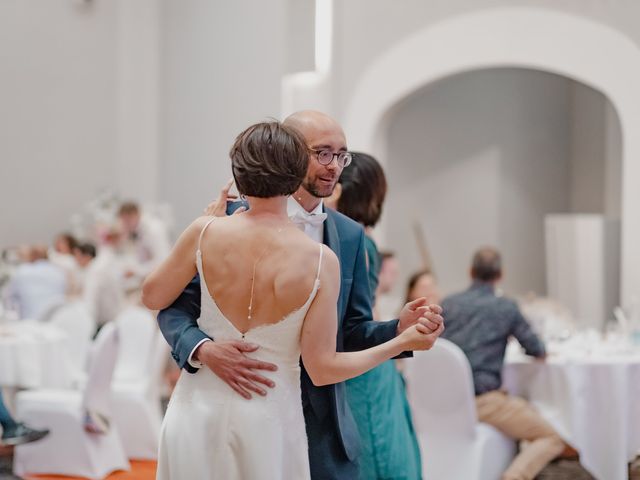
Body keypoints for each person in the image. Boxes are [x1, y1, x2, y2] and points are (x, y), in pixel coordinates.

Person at [144, 121, 443, 479]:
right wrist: (202, 348)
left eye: (341, 155)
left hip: (292, 419)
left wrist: (397, 331)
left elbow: (350, 328)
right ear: (295, 160)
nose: (334, 165)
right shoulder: (231, 223)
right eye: (323, 153)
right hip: (248, 409)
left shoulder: (346, 236)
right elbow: (173, 305)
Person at [330, 152, 423, 479]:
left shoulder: (333, 233)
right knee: (376, 446)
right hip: (365, 364)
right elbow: (364, 316)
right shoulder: (361, 241)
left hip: (346, 355)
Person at [441, 247, 566, 480]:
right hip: (483, 401)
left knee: (521, 406)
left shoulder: (447, 304)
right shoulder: (505, 307)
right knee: (551, 438)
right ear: (500, 275)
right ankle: (514, 476)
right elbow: (536, 349)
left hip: (444, 400)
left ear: (471, 271)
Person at [7, 245, 67, 320]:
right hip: (56, 323)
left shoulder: (22, 271)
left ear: (31, 256)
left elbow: (9, 298)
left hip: (29, 323)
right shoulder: (58, 272)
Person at [118, 201, 171, 279]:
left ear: (136, 215)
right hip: (148, 276)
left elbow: (162, 261)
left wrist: (136, 271)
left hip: (162, 277)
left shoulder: (154, 230)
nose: (125, 225)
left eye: (127, 221)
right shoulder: (136, 230)